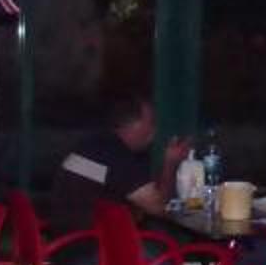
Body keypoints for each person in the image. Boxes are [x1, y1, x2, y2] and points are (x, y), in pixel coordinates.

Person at [50, 92, 187, 226]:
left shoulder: (92, 146)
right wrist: (171, 163)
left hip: (69, 234)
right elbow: (160, 208)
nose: (154, 131)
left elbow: (119, 187)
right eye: (151, 123)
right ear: (134, 125)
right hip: (93, 238)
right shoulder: (115, 155)